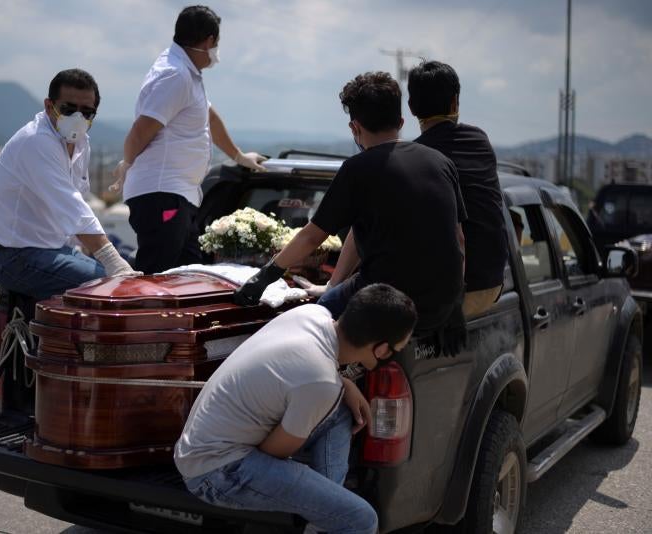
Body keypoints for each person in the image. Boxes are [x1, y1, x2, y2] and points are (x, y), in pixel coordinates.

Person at [235, 72, 466, 344]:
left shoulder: (358, 169)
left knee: (306, 327)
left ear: (354, 128)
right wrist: (454, 303)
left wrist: (264, 276)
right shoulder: (441, 162)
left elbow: (312, 236)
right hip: (440, 306)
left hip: (383, 302)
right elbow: (459, 240)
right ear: (401, 122)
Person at [176, 283, 417, 534]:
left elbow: (303, 373)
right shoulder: (321, 383)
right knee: (360, 518)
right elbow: (273, 453)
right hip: (215, 473)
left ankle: (322, 522)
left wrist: (343, 384)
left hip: (200, 447)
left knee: (340, 410)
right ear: (381, 349)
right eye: (394, 351)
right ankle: (327, 518)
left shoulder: (311, 315)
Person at [110, 5, 266, 274]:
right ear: (209, 41)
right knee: (158, 279)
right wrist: (127, 164)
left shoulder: (185, 73)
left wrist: (238, 156)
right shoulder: (175, 75)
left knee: (188, 276)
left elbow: (209, 118)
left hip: (177, 196)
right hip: (162, 194)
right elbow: (140, 130)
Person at [0, 69, 138, 301]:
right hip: (13, 254)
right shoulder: (37, 141)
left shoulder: (81, 143)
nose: (78, 117)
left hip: (49, 248)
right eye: (68, 109)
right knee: (109, 287)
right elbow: (72, 207)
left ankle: (14, 309)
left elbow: (78, 200)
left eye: (87, 112)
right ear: (48, 105)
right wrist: (112, 259)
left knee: (109, 279)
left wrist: (85, 253)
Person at [408, 61, 508, 316]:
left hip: (452, 296)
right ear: (455, 103)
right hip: (492, 284)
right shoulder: (480, 141)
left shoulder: (413, 157)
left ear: (411, 108)